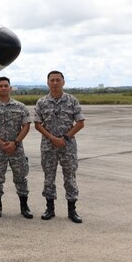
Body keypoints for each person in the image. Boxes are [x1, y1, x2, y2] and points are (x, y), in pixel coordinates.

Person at [34, 71, 85, 223]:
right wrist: (52, 138)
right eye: (52, 80)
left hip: (67, 146)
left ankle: (72, 210)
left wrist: (65, 137)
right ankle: (50, 209)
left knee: (70, 177)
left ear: (63, 82)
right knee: (49, 178)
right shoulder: (42, 102)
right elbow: (37, 124)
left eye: (58, 80)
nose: (55, 83)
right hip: (48, 146)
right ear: (47, 83)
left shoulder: (71, 101)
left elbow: (80, 123)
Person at [0, 76, 32, 219]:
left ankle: (24, 206)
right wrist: (1, 143)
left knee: (21, 177)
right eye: (0, 86)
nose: (3, 88)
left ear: (10, 88)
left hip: (17, 148)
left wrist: (15, 143)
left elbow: (26, 126)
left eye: (6, 85)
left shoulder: (21, 107)